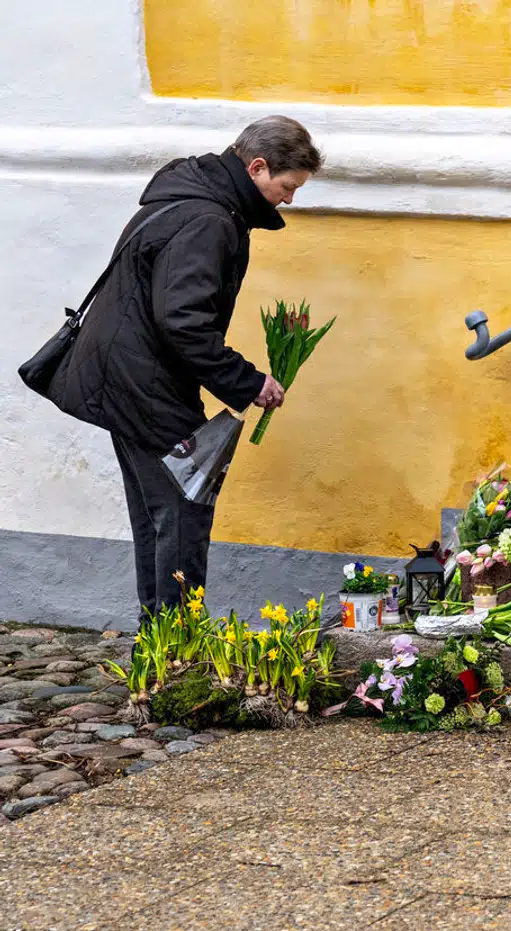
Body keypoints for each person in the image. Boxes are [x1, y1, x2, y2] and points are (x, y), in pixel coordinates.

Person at [44, 116, 323, 624]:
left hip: (127, 378)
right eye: (287, 187)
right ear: (257, 167)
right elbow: (184, 322)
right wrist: (248, 381)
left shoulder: (191, 196)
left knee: (157, 518)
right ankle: (177, 652)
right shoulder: (208, 220)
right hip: (144, 385)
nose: (289, 200)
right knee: (182, 514)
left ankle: (159, 645)